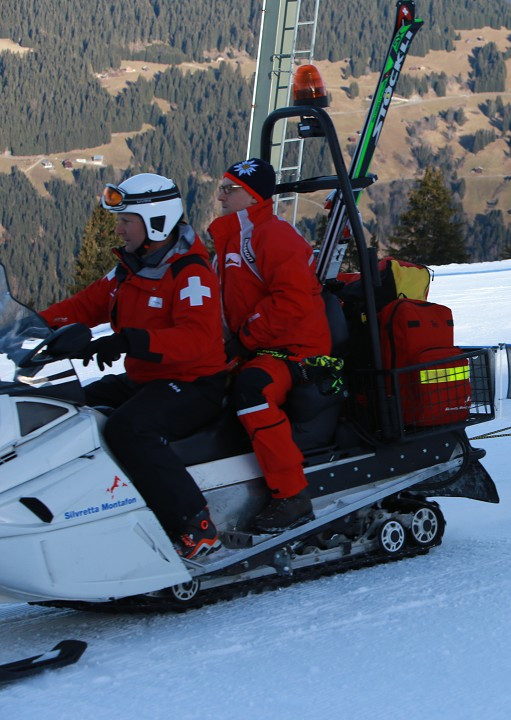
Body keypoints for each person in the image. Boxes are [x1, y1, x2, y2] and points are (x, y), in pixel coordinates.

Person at [41, 173, 228, 560]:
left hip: (194, 384)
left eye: (127, 221)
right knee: (66, 406)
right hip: (147, 377)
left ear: (156, 221)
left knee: (131, 428)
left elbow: (197, 339)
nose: (120, 229)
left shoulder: (189, 272)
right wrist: (34, 325)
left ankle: (197, 525)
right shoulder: (132, 268)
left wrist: (131, 341)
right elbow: (82, 305)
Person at [208, 158, 331, 534]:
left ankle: (292, 495)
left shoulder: (272, 236)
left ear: (253, 197)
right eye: (223, 188)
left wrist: (245, 340)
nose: (221, 196)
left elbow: (293, 301)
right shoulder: (230, 239)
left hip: (296, 350)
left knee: (252, 391)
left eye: (230, 190)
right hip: (260, 347)